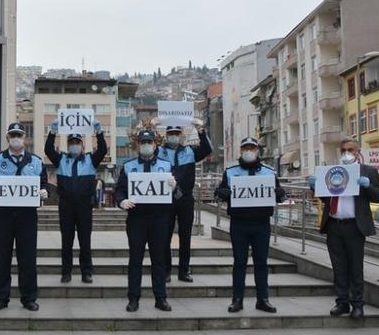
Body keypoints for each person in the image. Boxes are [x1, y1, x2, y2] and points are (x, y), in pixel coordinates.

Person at [309, 138, 379, 319]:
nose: (346, 153)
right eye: (343, 150)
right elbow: (327, 199)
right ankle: (342, 302)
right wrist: (315, 186)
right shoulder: (333, 171)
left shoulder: (368, 171)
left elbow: (377, 197)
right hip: (334, 224)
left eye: (350, 150)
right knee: (338, 266)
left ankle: (357, 304)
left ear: (358, 151)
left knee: (355, 267)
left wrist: (368, 186)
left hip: (354, 226)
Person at [214, 137, 286, 314]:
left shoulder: (269, 172)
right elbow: (219, 192)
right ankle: (237, 299)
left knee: (261, 262)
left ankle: (263, 299)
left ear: (257, 150)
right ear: (241, 150)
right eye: (245, 148)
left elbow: (281, 195)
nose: (249, 151)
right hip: (239, 223)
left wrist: (280, 193)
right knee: (240, 262)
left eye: (252, 148)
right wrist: (222, 193)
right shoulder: (231, 171)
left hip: (262, 224)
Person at [0, 122, 49, 311]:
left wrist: (44, 191)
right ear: (7, 139)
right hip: (3, 215)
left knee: (27, 258)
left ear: (24, 138)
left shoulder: (35, 161)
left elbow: (44, 183)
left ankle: (28, 298)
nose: (16, 139)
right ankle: (1, 297)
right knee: (1, 258)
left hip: (27, 216)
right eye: (13, 136)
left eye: (19, 135)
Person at [115, 130, 177, 312]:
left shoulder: (166, 166)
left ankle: (161, 298)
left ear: (155, 144)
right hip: (137, 219)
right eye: (143, 142)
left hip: (159, 219)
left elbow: (177, 195)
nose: (146, 145)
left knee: (159, 260)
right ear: (138, 145)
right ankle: (133, 298)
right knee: (135, 260)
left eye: (149, 141)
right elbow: (119, 190)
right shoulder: (128, 166)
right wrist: (121, 201)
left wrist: (174, 187)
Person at [44, 119, 108, 283]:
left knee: (85, 240)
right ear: (68, 144)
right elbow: (48, 150)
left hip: (84, 206)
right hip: (66, 206)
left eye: (77, 142)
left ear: (82, 145)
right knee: (67, 241)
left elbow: (102, 150)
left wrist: (99, 133)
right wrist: (52, 133)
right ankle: (66, 272)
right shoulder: (61, 160)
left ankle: (86, 271)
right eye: (71, 142)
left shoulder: (90, 160)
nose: (74, 145)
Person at [157, 119, 212, 283]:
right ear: (166, 135)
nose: (173, 136)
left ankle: (184, 271)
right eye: (170, 133)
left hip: (185, 198)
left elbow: (207, 149)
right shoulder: (159, 151)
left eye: (176, 133)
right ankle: (166, 271)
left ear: (180, 135)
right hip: (165, 198)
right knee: (164, 236)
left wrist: (200, 130)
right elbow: (143, 152)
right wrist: (150, 128)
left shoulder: (190, 151)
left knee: (185, 236)